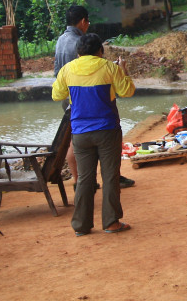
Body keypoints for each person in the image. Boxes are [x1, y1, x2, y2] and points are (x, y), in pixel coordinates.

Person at [52, 33, 136, 236]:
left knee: (84, 179)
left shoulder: (67, 69)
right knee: (110, 177)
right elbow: (127, 92)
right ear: (100, 51)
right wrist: (123, 72)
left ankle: (81, 226)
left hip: (80, 133)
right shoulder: (110, 68)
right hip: (107, 131)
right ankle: (111, 222)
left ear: (79, 52)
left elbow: (57, 95)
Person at [54, 6, 134, 190]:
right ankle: (98, 178)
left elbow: (57, 73)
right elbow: (90, 69)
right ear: (83, 21)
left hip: (70, 95)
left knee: (75, 137)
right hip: (87, 96)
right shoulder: (80, 41)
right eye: (88, 22)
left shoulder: (60, 40)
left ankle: (79, 180)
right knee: (98, 139)